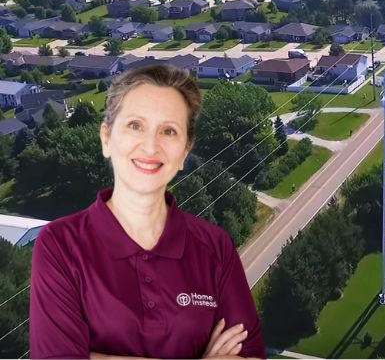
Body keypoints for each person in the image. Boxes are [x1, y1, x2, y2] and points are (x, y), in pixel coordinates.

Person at [30, 65, 265, 358]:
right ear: (106, 138)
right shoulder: (60, 245)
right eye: (135, 125)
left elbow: (250, 354)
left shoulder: (214, 246)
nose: (150, 146)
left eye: (168, 131)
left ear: (185, 151)